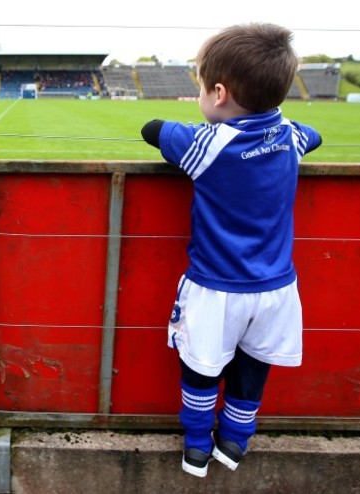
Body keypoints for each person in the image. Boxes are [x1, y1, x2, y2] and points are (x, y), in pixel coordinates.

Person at [140, 23, 322, 478]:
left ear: (218, 93)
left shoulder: (210, 143)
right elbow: (312, 134)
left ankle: (198, 446)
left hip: (216, 288)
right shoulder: (289, 137)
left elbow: (153, 129)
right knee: (252, 370)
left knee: (201, 368)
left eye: (200, 88)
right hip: (277, 291)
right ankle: (235, 442)